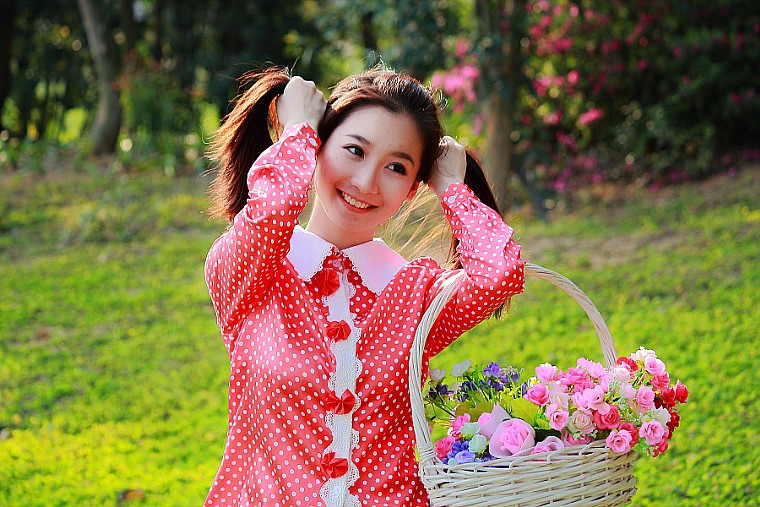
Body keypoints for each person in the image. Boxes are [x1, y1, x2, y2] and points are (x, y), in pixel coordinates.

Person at [202, 65, 525, 507]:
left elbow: (499, 274)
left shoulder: (416, 294)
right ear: (317, 147)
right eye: (354, 150)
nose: (366, 182)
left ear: (412, 189)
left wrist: (452, 187)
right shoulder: (252, 271)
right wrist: (298, 131)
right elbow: (272, 211)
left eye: (396, 167)